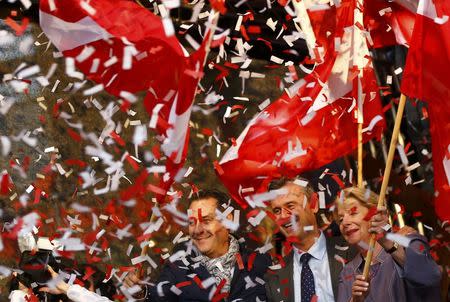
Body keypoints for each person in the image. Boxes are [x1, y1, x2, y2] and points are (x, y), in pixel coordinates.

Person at [124, 189, 271, 301]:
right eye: (192, 222)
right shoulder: (179, 262)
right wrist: (142, 292)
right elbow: (161, 295)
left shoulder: (261, 263)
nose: (198, 230)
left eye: (206, 220)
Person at [335, 187, 441, 302]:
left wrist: (387, 240)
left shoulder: (407, 241)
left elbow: (430, 277)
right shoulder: (347, 272)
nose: (345, 222)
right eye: (340, 219)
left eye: (353, 213)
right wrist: (355, 300)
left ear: (374, 214)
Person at [264, 177, 356, 302]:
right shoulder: (273, 277)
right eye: (277, 210)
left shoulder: (353, 251)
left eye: (290, 206)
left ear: (314, 204)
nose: (284, 216)